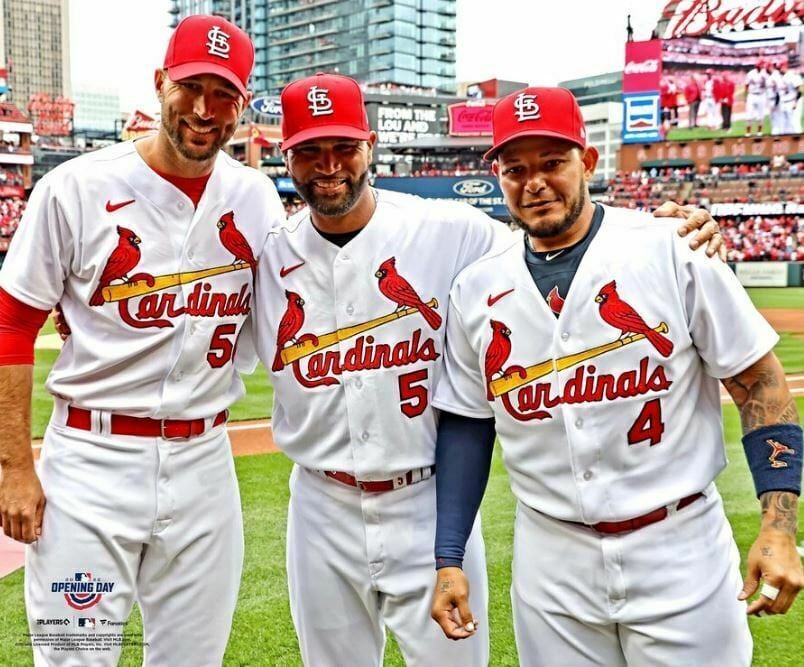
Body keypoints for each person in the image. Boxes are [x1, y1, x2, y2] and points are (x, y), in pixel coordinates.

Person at [250, 74, 724, 667]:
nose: (328, 165)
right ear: (283, 155)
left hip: (426, 496)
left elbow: (558, 237)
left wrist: (672, 232)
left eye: (343, 147)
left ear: (369, 144)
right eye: (308, 151)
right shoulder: (264, 257)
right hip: (318, 504)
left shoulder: (453, 230)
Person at [429, 86, 803, 666]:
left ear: (588, 160)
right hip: (551, 560)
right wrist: (448, 556)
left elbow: (760, 385)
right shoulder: (477, 287)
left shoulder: (671, 248)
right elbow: (469, 427)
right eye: (515, 168)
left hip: (679, 548)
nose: (534, 183)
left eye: (552, 163)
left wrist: (778, 527)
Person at [0, 15, 285, 666]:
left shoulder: (257, 199)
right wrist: (15, 466)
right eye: (191, 87)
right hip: (90, 468)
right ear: (160, 84)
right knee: (76, 657)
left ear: (242, 106)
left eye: (225, 95)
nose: (205, 109)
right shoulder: (74, 188)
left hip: (205, 464)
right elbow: (11, 321)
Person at [745, 59, 767, 136]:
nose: (761, 66)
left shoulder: (765, 74)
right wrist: (746, 95)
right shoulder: (750, 74)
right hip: (752, 95)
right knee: (749, 114)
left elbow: (768, 85)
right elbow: (746, 85)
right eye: (760, 65)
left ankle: (759, 132)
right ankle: (748, 133)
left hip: (761, 95)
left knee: (760, 115)